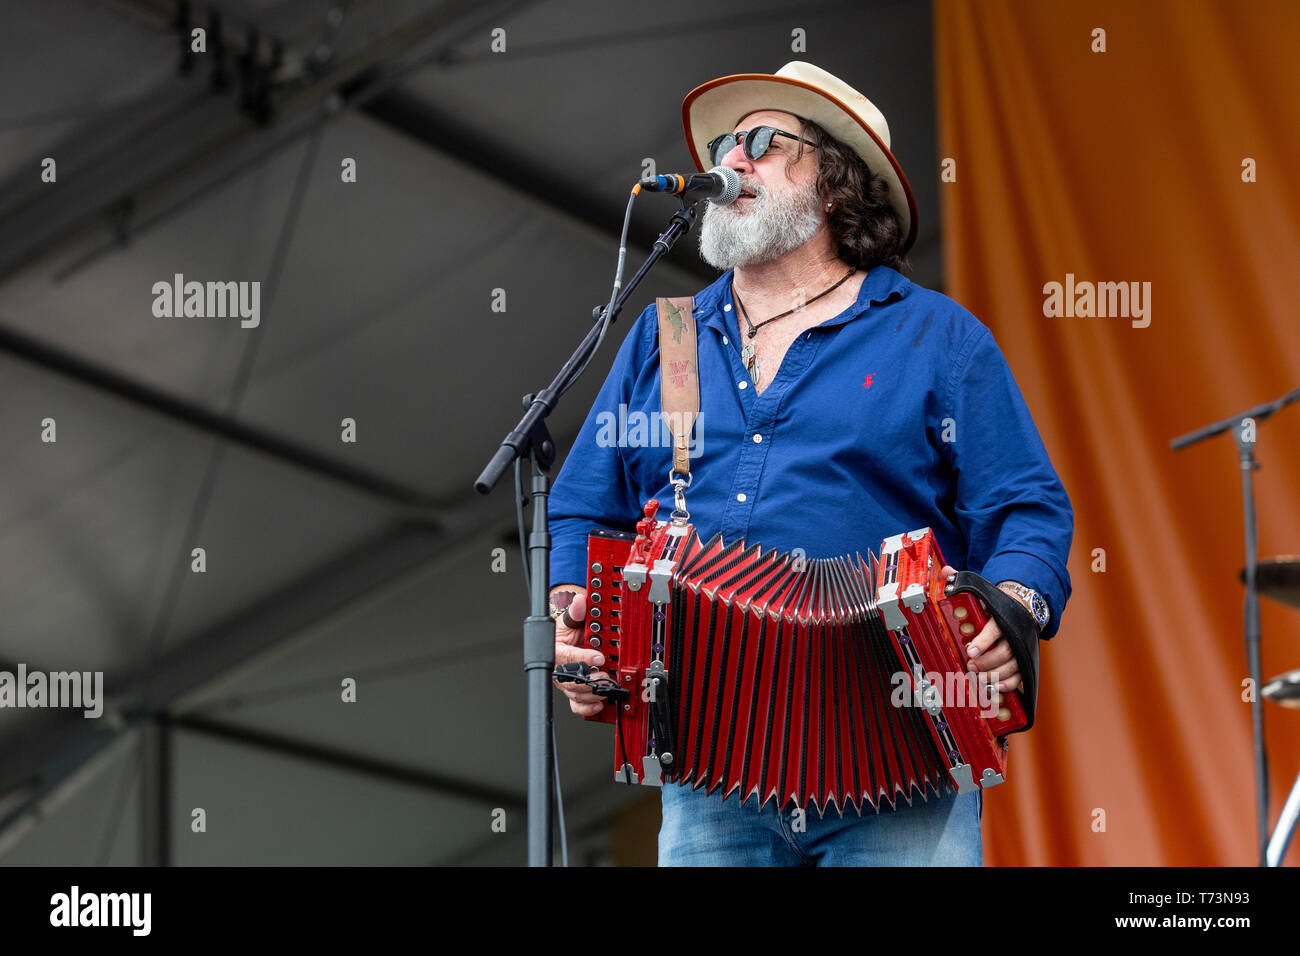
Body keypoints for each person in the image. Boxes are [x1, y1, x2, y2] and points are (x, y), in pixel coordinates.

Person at [545, 61, 1073, 866]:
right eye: (727, 143)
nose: (734, 159)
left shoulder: (936, 337)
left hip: (901, 756)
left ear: (832, 185)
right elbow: (587, 503)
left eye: (762, 142)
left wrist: (1012, 608)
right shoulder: (668, 338)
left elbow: (1026, 507)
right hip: (703, 757)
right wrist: (575, 618)